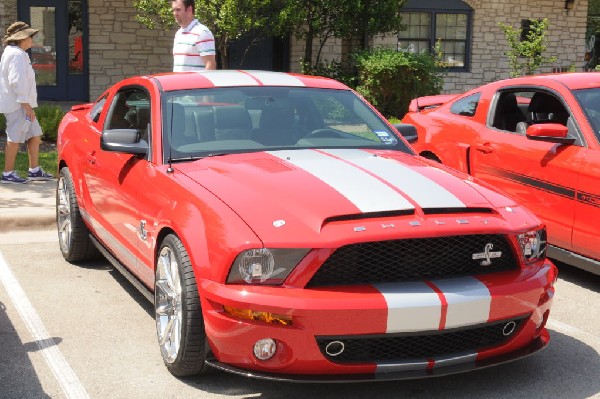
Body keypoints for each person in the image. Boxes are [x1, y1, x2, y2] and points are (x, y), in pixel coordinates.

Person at [0, 21, 53, 183]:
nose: (32, 40)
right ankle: (7, 173)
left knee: (35, 135)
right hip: (18, 105)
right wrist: (26, 105)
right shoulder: (16, 55)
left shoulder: (16, 53)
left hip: (21, 104)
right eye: (30, 37)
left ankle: (34, 170)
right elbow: (17, 81)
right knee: (14, 137)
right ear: (21, 38)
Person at [171, 0, 217, 72]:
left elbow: (210, 64)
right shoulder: (178, 34)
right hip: (177, 83)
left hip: (196, 83)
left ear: (189, 9)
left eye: (178, 10)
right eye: (173, 10)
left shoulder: (202, 32)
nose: (175, 13)